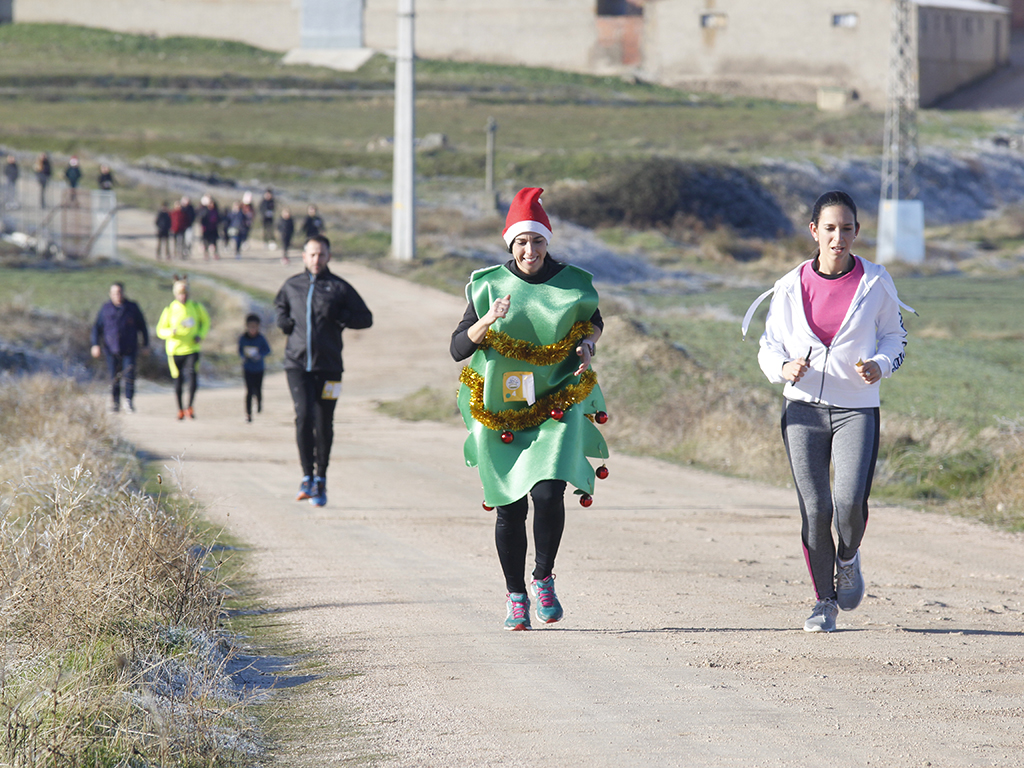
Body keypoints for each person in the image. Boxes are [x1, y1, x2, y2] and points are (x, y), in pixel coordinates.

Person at [741, 190, 915, 634]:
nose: (839, 238)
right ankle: (823, 602)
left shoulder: (876, 282)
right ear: (814, 231)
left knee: (849, 502)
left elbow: (896, 337)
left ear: (857, 232)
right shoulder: (789, 286)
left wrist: (880, 364)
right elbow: (768, 346)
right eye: (831, 228)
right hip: (802, 410)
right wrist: (783, 368)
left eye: (847, 229)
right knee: (816, 508)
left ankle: (848, 558)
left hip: (857, 408)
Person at [450, 187, 609, 631]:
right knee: (510, 506)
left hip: (555, 402)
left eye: (538, 241)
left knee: (548, 493)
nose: (530, 251)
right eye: (521, 242)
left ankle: (543, 578)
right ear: (510, 244)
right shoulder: (488, 286)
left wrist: (588, 343)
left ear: (547, 242)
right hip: (500, 409)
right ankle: (515, 595)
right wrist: (488, 319)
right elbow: (458, 348)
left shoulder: (572, 281)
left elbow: (594, 321)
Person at [275, 235, 372, 507]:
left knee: (323, 422)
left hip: (329, 367)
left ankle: (321, 479)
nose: (316, 259)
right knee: (304, 416)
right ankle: (306, 476)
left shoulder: (339, 287)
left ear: (328, 256)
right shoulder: (292, 285)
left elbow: (366, 318)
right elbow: (279, 306)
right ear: (304, 256)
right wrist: (282, 321)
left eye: (321, 254)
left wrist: (343, 317)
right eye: (312, 254)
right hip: (296, 364)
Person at [90, 281, 150, 413]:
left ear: (123, 293)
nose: (117, 295)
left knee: (129, 375)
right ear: (110, 294)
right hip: (111, 348)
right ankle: (115, 402)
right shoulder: (105, 308)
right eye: (114, 293)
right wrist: (95, 344)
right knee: (114, 377)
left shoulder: (132, 307)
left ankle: (129, 401)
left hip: (129, 348)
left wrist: (146, 344)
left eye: (119, 292)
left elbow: (142, 326)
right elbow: (96, 328)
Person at [156, 277, 211, 421]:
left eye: (185, 293)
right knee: (178, 380)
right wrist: (171, 332)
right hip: (174, 350)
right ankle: (180, 409)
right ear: (175, 294)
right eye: (180, 294)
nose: (183, 296)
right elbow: (160, 330)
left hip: (192, 348)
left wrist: (200, 335)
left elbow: (206, 322)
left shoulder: (196, 307)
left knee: (193, 376)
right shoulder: (169, 310)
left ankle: (189, 407)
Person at [238, 313, 272, 423]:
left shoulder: (261, 338)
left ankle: (259, 402)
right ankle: (248, 414)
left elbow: (268, 350)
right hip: (247, 368)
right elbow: (240, 350)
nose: (252, 329)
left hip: (259, 368)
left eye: (255, 327)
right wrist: (243, 356)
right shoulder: (243, 338)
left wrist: (260, 355)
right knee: (249, 391)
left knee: (258, 389)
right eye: (250, 327)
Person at [199, 195, 220, 260]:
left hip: (214, 229)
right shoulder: (204, 211)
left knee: (214, 242)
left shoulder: (215, 211)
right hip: (206, 229)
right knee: (206, 242)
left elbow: (219, 219)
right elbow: (202, 219)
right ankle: (206, 254)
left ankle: (215, 254)